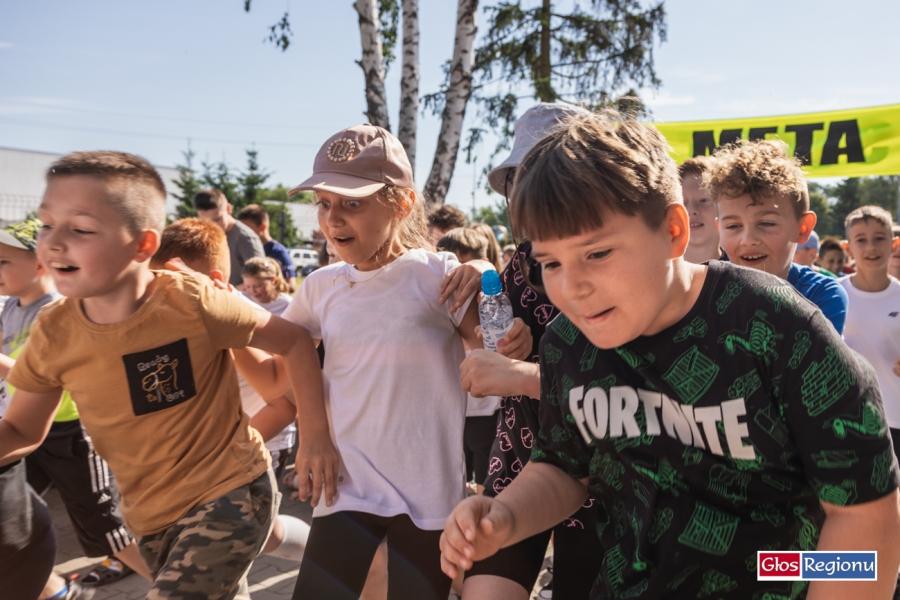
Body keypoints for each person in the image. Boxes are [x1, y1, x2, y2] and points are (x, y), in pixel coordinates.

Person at [440, 112, 900, 599]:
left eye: (597, 253)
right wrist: (505, 515)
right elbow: (562, 467)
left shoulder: (778, 328)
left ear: (674, 231)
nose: (571, 288)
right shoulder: (566, 343)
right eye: (551, 262)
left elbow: (864, 518)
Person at [0, 151, 330, 599]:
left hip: (231, 490)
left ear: (142, 245)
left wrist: (315, 439)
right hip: (150, 516)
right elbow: (20, 427)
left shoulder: (191, 299)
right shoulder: (54, 334)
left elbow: (293, 342)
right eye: (45, 224)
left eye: (80, 229)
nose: (54, 243)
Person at [282, 123, 490, 600]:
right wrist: (313, 435)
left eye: (352, 203)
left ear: (402, 203)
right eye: (324, 203)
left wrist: (483, 272)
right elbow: (292, 349)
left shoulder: (437, 275)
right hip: (347, 487)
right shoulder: (320, 286)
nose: (333, 219)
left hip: (431, 493)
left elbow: (493, 351)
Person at [461, 102, 603, 600]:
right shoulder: (517, 262)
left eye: (544, 174)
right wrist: (507, 341)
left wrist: (519, 374)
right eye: (518, 180)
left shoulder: (622, 273)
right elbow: (504, 337)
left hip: (604, 467)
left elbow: (628, 384)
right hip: (524, 449)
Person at [0, 218, 152, 598]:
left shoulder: (57, 312)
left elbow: (41, 378)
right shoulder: (11, 308)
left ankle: (176, 584)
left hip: (70, 436)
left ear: (39, 265)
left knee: (107, 527)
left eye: (3, 261)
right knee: (17, 520)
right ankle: (55, 590)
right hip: (22, 428)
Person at [148, 217, 311, 565]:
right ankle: (335, 558)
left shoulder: (237, 316)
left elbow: (282, 402)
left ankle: (339, 560)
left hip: (229, 468)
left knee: (233, 547)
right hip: (187, 468)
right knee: (265, 536)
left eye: (168, 282)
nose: (158, 293)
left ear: (213, 282)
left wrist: (228, 449)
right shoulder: (176, 312)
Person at [709, 140, 849, 334]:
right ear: (719, 230)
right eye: (733, 226)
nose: (748, 239)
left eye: (766, 223)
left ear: (803, 228)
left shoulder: (822, 296)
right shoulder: (707, 293)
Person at [437, 228, 503, 497]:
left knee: (486, 474)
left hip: (485, 408)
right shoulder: (443, 298)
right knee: (459, 471)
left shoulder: (490, 296)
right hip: (458, 409)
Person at [839, 206, 900, 458]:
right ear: (848, 248)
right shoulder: (832, 294)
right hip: (846, 419)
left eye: (879, 238)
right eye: (861, 240)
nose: (870, 247)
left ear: (894, 244)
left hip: (896, 418)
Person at [193, 188, 265, 289]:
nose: (211, 225)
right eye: (205, 221)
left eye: (217, 219)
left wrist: (229, 291)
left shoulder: (246, 238)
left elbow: (261, 277)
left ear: (228, 209)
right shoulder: (203, 234)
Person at [237, 203, 298, 291]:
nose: (243, 233)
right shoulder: (241, 248)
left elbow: (291, 286)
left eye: (247, 229)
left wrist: (263, 284)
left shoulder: (278, 251)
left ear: (262, 227)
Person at [679, 156, 725, 264]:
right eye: (683, 202)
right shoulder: (657, 273)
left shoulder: (742, 272)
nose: (691, 210)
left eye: (703, 200)